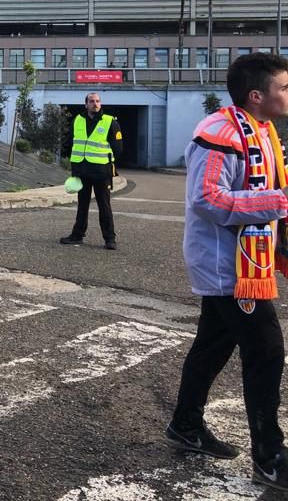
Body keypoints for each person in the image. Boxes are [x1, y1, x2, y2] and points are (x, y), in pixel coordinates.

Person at [166, 53, 288, 489]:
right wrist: (280, 201)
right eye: (284, 87)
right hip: (229, 268)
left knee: (213, 345)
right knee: (267, 351)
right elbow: (207, 200)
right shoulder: (217, 133)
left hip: (244, 262)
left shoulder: (263, 130)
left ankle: (185, 424)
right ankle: (270, 457)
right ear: (257, 95)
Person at [59, 92, 123, 249]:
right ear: (86, 104)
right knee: (82, 205)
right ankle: (77, 236)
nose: (95, 104)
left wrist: (110, 166)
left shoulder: (110, 122)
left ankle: (110, 239)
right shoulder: (78, 120)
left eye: (97, 101)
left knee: (104, 206)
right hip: (82, 171)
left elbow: (118, 148)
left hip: (101, 172)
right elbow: (70, 142)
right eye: (92, 101)